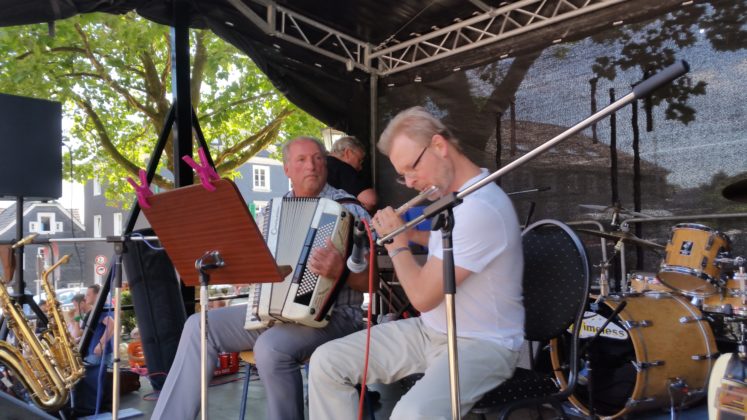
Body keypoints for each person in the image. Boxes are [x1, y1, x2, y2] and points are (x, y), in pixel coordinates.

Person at [309, 106, 525, 419]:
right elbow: (449, 249)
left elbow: (423, 298)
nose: (409, 182)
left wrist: (397, 243)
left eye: (412, 168)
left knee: (411, 414)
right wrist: (413, 234)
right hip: (432, 331)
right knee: (327, 362)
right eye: (402, 173)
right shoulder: (456, 198)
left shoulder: (480, 206)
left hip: (482, 344)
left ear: (439, 146)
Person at [151, 137, 371, 420]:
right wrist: (245, 271)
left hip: (337, 315)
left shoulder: (351, 209)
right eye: (301, 160)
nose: (312, 166)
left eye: (318, 158)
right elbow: (258, 266)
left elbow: (371, 283)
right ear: (287, 169)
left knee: (270, 347)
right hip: (277, 315)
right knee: (199, 325)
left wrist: (340, 272)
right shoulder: (272, 212)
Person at [326, 136, 378, 212]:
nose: (360, 167)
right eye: (359, 161)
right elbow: (371, 200)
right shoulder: (342, 167)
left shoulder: (322, 163)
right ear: (348, 153)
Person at [82, 284, 114, 367]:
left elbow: (112, 325)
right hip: (101, 352)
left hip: (98, 354)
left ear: (97, 295)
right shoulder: (106, 307)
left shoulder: (101, 309)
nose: (85, 297)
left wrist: (100, 344)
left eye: (88, 295)